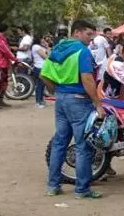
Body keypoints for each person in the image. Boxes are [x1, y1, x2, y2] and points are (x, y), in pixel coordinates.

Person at [41, 20, 105, 199]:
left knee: (60, 143)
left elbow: (44, 74)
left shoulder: (58, 49)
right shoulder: (82, 51)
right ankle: (82, 189)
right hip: (79, 101)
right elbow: (87, 79)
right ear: (77, 32)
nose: (90, 39)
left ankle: (53, 186)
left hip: (61, 100)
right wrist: (98, 104)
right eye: (87, 34)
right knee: (83, 146)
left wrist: (56, 90)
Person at [0, 24, 16, 108]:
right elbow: (6, 51)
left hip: (3, 63)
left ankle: (0, 100)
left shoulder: (0, 38)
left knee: (4, 82)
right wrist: (15, 59)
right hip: (0, 64)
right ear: (5, 30)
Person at [31, 35, 51, 108]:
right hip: (39, 67)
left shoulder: (40, 47)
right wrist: (47, 49)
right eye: (42, 38)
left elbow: (48, 55)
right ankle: (38, 102)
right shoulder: (36, 47)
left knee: (42, 85)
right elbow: (46, 57)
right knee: (39, 85)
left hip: (42, 67)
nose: (43, 40)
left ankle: (41, 100)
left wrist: (47, 47)